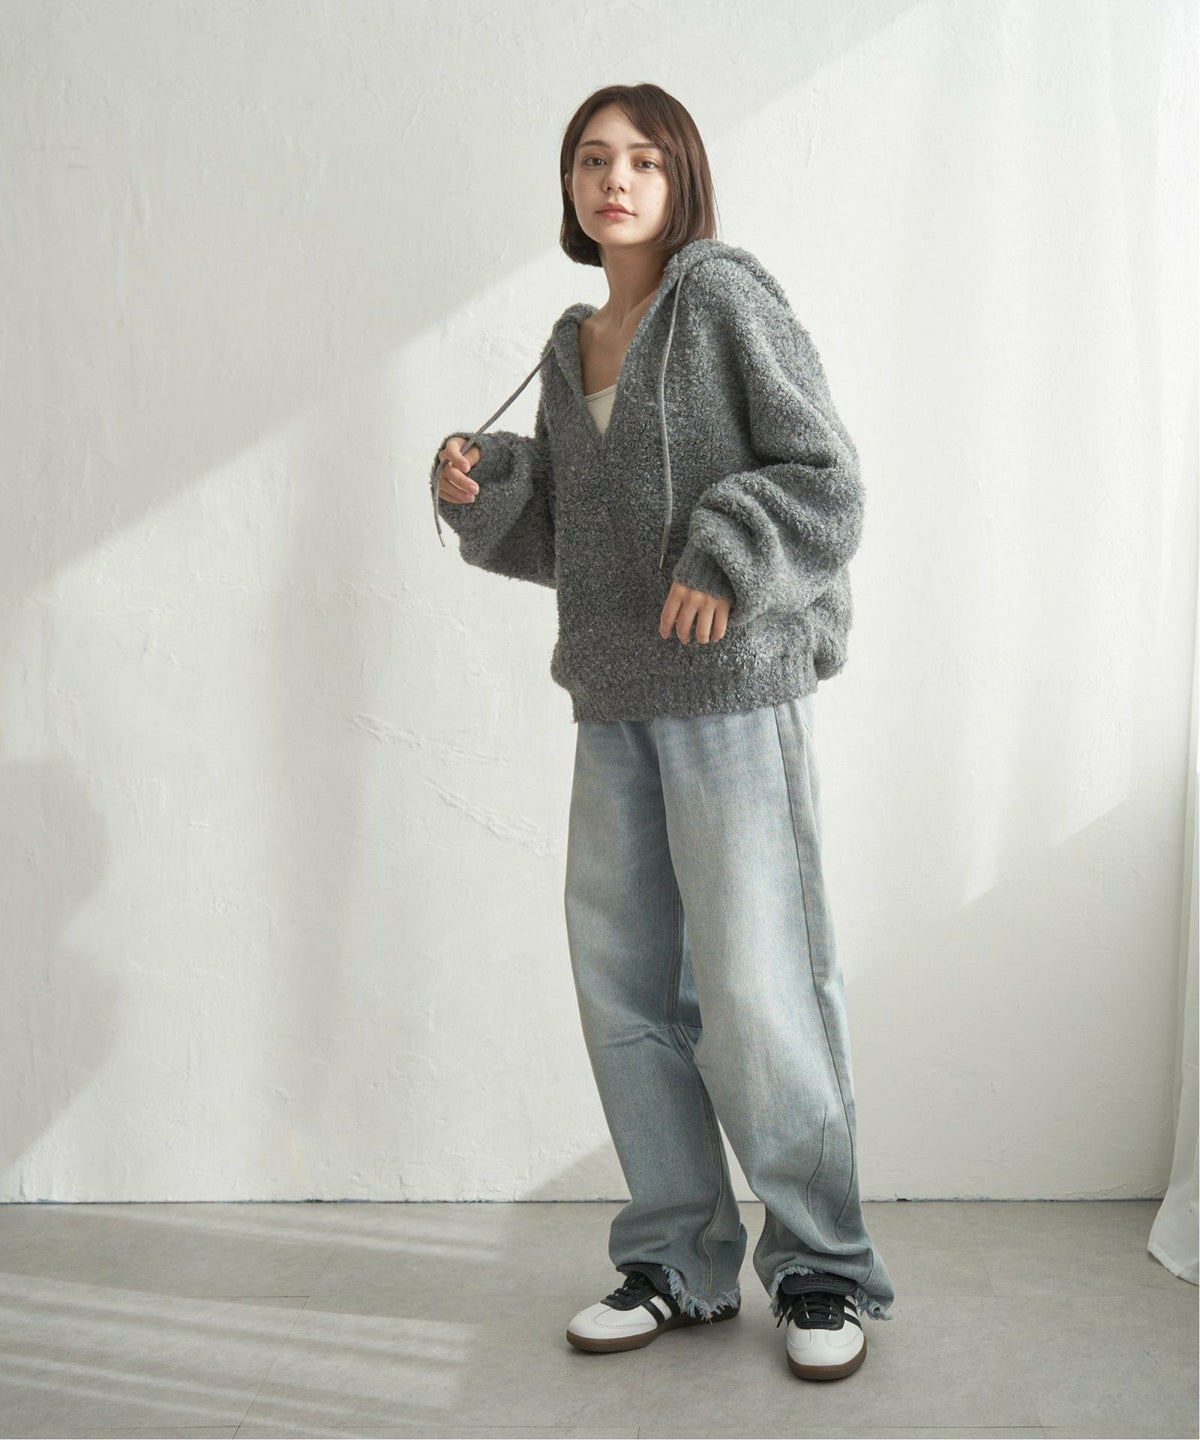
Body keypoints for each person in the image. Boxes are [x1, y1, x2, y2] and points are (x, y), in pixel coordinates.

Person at [429, 82, 895, 1382]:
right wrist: (483, 489)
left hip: (733, 695)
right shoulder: (570, 341)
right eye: (592, 159)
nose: (614, 179)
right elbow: (576, 544)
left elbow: (825, 480)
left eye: (642, 159)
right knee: (628, 994)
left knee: (757, 990)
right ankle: (678, 1260)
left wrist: (729, 554)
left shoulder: (728, 298)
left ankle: (822, 1270)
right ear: (569, 188)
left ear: (681, 178)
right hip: (614, 696)